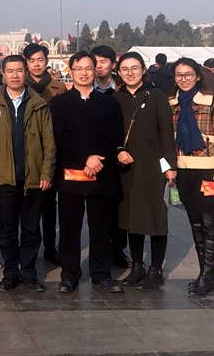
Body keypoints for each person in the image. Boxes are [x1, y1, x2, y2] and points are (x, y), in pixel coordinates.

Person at [49, 51, 124, 294]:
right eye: (78, 68)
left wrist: (97, 159)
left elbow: (115, 135)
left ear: (96, 71)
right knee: (69, 228)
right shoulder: (59, 103)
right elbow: (61, 136)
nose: (84, 73)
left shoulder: (109, 103)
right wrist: (86, 158)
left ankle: (101, 273)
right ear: (71, 71)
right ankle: (69, 274)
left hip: (102, 172)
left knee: (100, 227)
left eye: (88, 68)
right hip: (71, 174)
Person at [0, 55, 55, 292]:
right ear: (2, 73)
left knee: (31, 230)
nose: (15, 75)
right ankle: (10, 272)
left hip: (33, 178)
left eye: (19, 70)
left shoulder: (38, 103)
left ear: (26, 73)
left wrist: (46, 173)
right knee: (8, 229)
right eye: (10, 71)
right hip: (4, 178)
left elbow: (49, 141)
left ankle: (29, 272)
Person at [169, 58, 214, 297]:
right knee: (196, 224)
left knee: (210, 224)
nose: (183, 79)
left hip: (209, 170)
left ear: (197, 76)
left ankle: (207, 276)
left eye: (188, 74)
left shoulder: (213, 102)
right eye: (179, 75)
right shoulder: (171, 104)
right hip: (184, 170)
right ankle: (206, 274)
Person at [113, 52, 177, 291]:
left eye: (135, 68)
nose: (130, 73)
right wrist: (118, 150)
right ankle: (137, 266)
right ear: (119, 72)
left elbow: (166, 132)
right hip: (126, 166)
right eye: (125, 69)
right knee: (132, 217)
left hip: (153, 164)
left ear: (143, 70)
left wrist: (170, 165)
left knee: (155, 216)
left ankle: (156, 270)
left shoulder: (156, 95)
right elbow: (111, 132)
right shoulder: (116, 98)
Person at [24, 43, 67, 265]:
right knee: (30, 205)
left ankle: (50, 246)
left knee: (50, 205)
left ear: (47, 61)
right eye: (32, 61)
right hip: (28, 152)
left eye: (40, 60)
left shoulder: (59, 87)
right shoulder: (20, 86)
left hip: (52, 151)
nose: (36, 65)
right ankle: (29, 246)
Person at [90, 45, 129, 268]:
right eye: (94, 62)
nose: (98, 67)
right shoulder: (87, 90)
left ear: (113, 65)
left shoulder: (123, 90)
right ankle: (102, 251)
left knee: (119, 206)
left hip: (121, 156)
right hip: (95, 158)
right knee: (99, 211)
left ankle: (118, 249)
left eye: (103, 62)